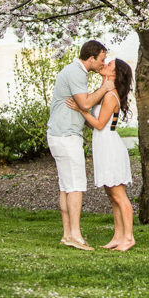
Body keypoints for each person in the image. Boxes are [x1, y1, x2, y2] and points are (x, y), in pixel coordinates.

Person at [46, 40, 113, 251]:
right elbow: (85, 103)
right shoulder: (76, 73)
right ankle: (75, 235)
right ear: (91, 58)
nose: (103, 64)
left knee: (66, 186)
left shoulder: (75, 72)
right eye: (102, 59)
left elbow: (82, 104)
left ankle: (67, 234)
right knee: (75, 186)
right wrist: (105, 87)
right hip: (66, 136)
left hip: (59, 134)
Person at [66, 58, 136, 252]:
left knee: (119, 196)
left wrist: (81, 109)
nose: (104, 65)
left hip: (110, 148)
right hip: (103, 146)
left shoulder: (110, 95)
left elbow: (98, 124)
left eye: (109, 65)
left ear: (114, 74)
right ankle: (118, 236)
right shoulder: (106, 92)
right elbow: (95, 123)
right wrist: (82, 113)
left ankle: (129, 238)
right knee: (112, 196)